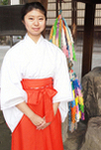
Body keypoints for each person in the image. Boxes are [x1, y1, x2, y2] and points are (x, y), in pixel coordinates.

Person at [0, 2, 73, 150]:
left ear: (45, 20)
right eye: (31, 18)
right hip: (24, 110)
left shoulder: (55, 52)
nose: (36, 23)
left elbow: (62, 84)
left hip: (50, 106)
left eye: (40, 18)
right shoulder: (14, 54)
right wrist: (32, 116)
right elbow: (10, 88)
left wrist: (51, 114)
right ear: (23, 20)